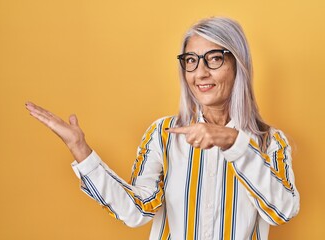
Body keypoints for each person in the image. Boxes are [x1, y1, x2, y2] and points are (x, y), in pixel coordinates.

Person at [25, 17, 300, 240]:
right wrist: (81, 151)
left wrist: (236, 144)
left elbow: (283, 212)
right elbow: (136, 212)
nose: (200, 72)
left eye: (214, 58)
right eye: (191, 60)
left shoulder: (269, 142)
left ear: (238, 64)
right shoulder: (163, 134)